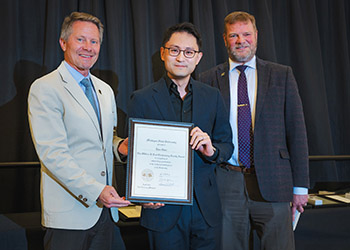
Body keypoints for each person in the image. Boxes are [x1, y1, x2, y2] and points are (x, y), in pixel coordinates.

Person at [199, 11, 309, 250]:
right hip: (226, 184)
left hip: (275, 183)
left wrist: (300, 187)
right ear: (225, 39)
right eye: (234, 35)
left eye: (246, 34)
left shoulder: (282, 75)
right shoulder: (207, 79)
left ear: (256, 35)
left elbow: (297, 132)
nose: (241, 41)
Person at [28, 12, 130, 250]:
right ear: (63, 42)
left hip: (105, 214)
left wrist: (120, 147)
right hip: (69, 216)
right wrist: (97, 191)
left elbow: (104, 139)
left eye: (94, 42)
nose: (88, 48)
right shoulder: (45, 88)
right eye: (80, 40)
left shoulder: (105, 90)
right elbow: (53, 155)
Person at [127, 22, 233, 250]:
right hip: (161, 209)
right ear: (164, 53)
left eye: (188, 52)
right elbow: (134, 155)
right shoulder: (142, 98)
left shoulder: (212, 97)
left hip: (205, 209)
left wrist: (211, 150)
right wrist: (140, 195)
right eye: (174, 50)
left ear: (198, 57)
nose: (181, 57)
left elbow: (227, 145)